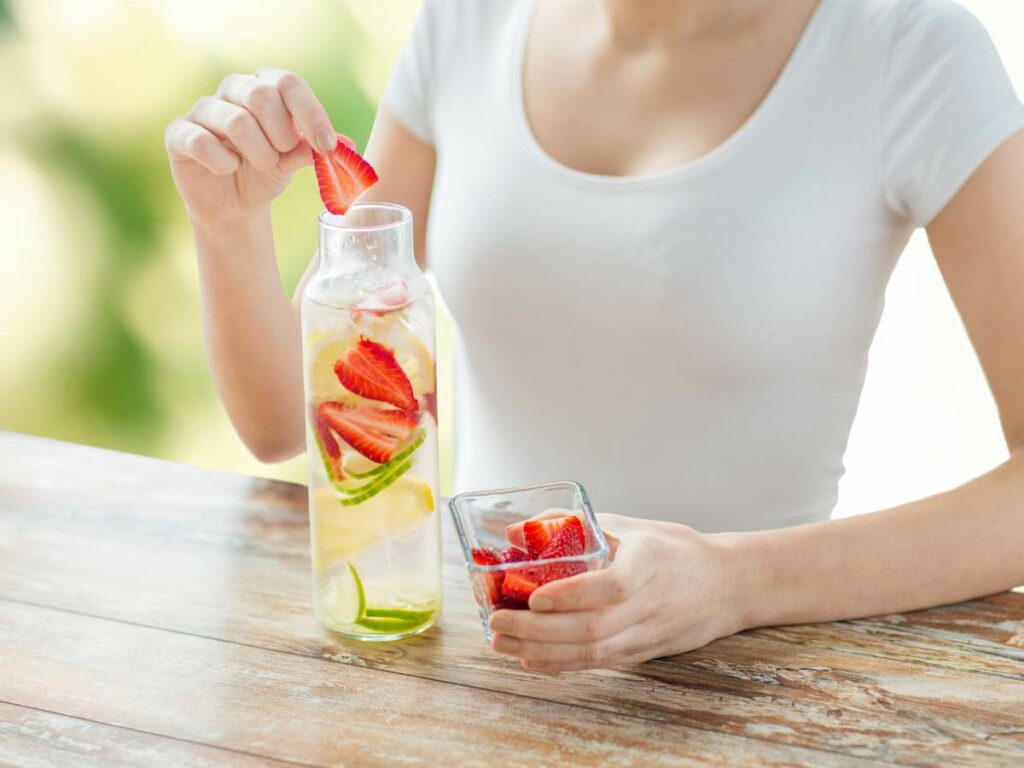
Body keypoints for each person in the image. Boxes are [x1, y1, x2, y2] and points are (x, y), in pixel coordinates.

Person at [165, 0, 1024, 673]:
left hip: (757, 686)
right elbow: (289, 419)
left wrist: (729, 584)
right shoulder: (467, 19)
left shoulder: (910, 51)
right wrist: (229, 224)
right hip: (479, 673)